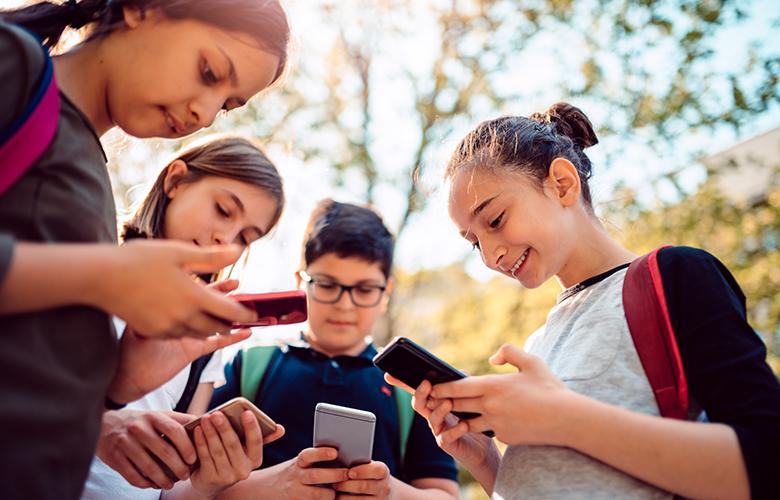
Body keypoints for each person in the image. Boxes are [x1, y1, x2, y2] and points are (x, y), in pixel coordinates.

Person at [388, 102, 780, 500]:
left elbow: (767, 462)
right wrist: (487, 461)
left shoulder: (677, 275)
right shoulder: (543, 339)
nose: (490, 256)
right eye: (475, 244)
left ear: (562, 183)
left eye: (495, 221)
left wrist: (557, 416)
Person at [0, 1, 289, 497]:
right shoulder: (14, 67)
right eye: (208, 71)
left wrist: (115, 389)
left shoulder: (91, 173)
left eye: (226, 105)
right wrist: (103, 275)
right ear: (143, 9)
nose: (204, 112)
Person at [211, 200, 460, 500]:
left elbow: (446, 495)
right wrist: (275, 485)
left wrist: (389, 491)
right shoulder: (249, 364)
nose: (345, 305)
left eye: (365, 290)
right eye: (327, 285)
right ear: (299, 282)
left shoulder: (411, 386)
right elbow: (197, 485)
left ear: (386, 294)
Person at [82, 136, 286, 499]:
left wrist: (208, 481)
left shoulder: (206, 339)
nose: (225, 238)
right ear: (175, 180)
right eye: (223, 210)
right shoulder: (80, 264)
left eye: (246, 237)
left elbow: (170, 491)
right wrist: (100, 420)